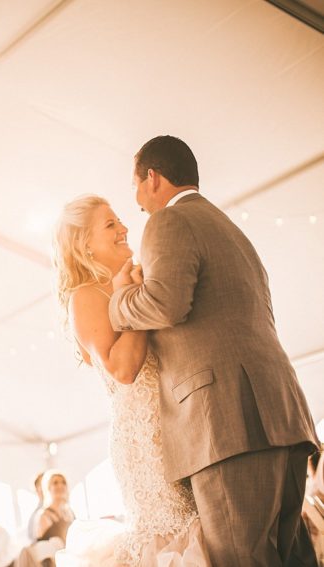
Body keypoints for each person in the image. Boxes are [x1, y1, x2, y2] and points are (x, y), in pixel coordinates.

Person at [109, 135, 319, 566]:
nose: (137, 203)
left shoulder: (169, 223)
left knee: (242, 558)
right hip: (280, 416)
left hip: (226, 424)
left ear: (152, 178)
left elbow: (166, 303)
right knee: (292, 556)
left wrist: (119, 300)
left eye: (135, 186)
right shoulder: (232, 231)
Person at [51, 194, 208, 565]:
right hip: (145, 443)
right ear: (84, 243)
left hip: (182, 428)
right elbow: (123, 370)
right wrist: (127, 297)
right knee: (172, 538)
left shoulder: (140, 279)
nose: (124, 229)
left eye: (120, 221)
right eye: (110, 225)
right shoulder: (85, 296)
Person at [13, 471, 73, 567]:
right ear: (48, 488)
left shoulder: (70, 513)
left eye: (63, 482)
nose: (60, 486)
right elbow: (42, 551)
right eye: (55, 483)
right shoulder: (43, 516)